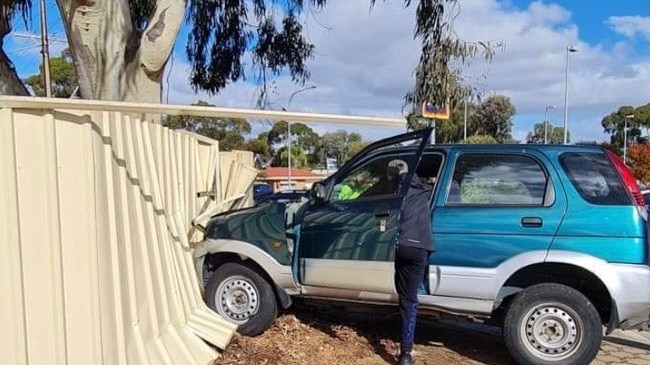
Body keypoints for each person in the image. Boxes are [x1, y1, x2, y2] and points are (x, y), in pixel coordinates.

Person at [394, 173, 434, 365]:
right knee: (410, 301)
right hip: (420, 249)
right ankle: (406, 354)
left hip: (401, 246)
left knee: (402, 294)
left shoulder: (397, 196)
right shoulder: (426, 192)